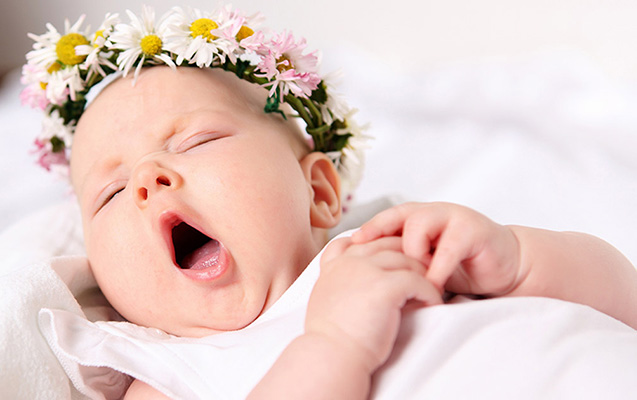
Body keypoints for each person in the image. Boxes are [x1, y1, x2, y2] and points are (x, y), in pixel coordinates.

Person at [22, 5, 637, 399]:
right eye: (108, 194)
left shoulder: (397, 244)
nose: (148, 179)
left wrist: (520, 261)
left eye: (196, 142)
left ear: (317, 191)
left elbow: (623, 302)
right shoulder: (164, 375)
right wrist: (335, 345)